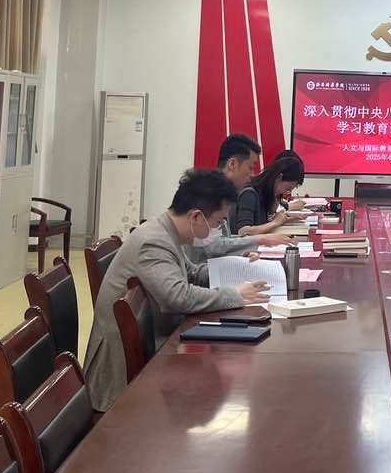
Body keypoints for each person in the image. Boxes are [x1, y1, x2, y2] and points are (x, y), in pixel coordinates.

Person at [82, 169, 270, 411]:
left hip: (153, 341)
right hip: (119, 374)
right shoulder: (154, 241)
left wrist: (237, 266)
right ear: (196, 217)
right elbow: (178, 297)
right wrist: (235, 295)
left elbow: (192, 273)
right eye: (217, 222)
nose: (217, 228)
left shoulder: (167, 231)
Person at [184, 134, 263, 264]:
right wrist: (260, 240)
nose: (252, 175)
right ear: (232, 164)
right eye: (250, 167)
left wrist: (244, 251)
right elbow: (214, 246)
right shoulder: (207, 193)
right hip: (202, 272)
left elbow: (224, 240)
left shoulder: (223, 193)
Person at [236, 156, 305, 240]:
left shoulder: (264, 195)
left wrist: (284, 220)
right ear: (279, 178)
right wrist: (275, 222)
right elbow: (243, 231)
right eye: (287, 188)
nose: (285, 193)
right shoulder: (249, 194)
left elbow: (261, 224)